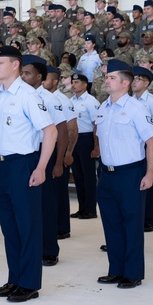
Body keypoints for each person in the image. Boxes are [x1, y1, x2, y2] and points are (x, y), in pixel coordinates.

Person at [0, 46, 57, 303]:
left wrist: (40, 168)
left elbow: (50, 132)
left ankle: (28, 283)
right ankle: (15, 277)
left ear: (15, 65)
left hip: (23, 164)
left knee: (27, 226)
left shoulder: (28, 95)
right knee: (9, 226)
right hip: (2, 166)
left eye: (0, 62)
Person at [94, 60, 153, 289]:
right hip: (107, 173)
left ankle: (132, 273)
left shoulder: (136, 108)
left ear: (125, 83)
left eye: (111, 77)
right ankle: (116, 269)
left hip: (130, 173)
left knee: (131, 224)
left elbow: (152, 142)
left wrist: (150, 174)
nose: (107, 81)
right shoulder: (103, 108)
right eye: (107, 77)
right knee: (111, 224)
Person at [21, 56, 67, 268]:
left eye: (28, 73)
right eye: (22, 72)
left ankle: (49, 250)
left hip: (45, 154)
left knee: (46, 204)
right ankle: (32, 247)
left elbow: (62, 131)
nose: (24, 76)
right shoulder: (22, 95)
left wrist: (58, 162)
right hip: (27, 154)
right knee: (29, 205)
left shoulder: (49, 99)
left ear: (39, 77)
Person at [44, 65, 77, 243]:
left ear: (55, 81)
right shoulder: (39, 97)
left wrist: (68, 152)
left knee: (59, 191)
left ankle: (62, 227)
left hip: (59, 147)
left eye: (46, 78)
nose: (43, 81)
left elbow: (71, 129)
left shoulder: (62, 100)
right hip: (46, 146)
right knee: (50, 190)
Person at [131, 67, 153, 233]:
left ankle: (151, 219)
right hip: (134, 145)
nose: (134, 82)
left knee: (149, 182)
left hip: (149, 144)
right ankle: (140, 217)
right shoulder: (130, 99)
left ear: (146, 83)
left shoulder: (152, 102)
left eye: (138, 79)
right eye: (133, 78)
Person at [68, 72, 100, 220]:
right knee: (78, 176)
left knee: (88, 176)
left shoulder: (91, 101)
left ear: (85, 85)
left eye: (77, 82)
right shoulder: (71, 101)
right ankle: (82, 208)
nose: (73, 85)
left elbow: (96, 125)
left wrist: (96, 146)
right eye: (73, 82)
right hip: (75, 140)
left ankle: (90, 209)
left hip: (87, 139)